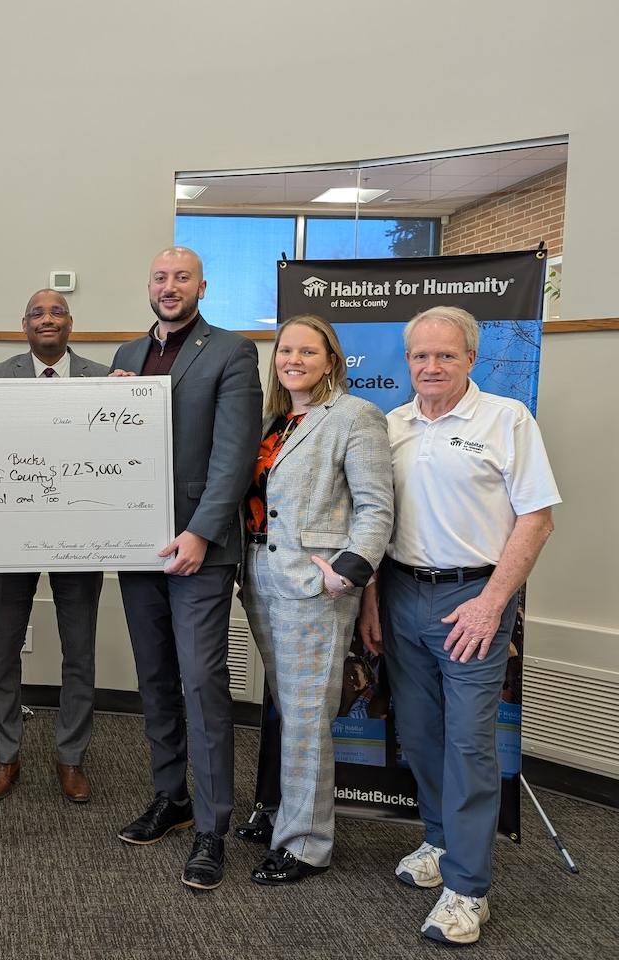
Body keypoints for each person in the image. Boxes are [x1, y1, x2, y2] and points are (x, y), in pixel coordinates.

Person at [359, 305, 558, 945]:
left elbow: (536, 519)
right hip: (400, 592)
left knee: (470, 744)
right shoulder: (391, 426)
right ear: (407, 360)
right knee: (418, 735)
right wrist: (370, 603)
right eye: (420, 355)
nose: (431, 366)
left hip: (474, 598)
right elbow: (377, 522)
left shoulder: (508, 420)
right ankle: (441, 845)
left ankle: (468, 889)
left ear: (471, 359)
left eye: (445, 355)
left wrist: (493, 600)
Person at [110, 247, 262, 890]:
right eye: (160, 277)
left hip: (198, 549)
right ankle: (170, 798)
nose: (170, 287)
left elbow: (236, 456)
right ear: (148, 285)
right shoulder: (124, 357)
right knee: (155, 678)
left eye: (182, 278)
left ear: (204, 285)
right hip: (134, 545)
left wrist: (200, 531)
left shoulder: (230, 352)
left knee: (202, 683)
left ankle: (211, 826)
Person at [238, 314, 393, 885]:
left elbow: (376, 508)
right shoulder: (274, 421)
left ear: (331, 359)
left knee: (306, 714)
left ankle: (306, 843)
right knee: (289, 705)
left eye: (308, 350)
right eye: (284, 350)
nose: (293, 359)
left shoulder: (354, 416)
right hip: (260, 574)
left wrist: (345, 575)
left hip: (315, 585)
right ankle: (286, 813)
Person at [0, 289, 108, 803]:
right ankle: (5, 755)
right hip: (12, 535)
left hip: (80, 536)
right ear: (24, 324)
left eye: (57, 312)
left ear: (71, 322)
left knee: (79, 651)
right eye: (38, 312)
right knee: (2, 651)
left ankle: (71, 757)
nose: (47, 319)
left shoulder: (105, 379)